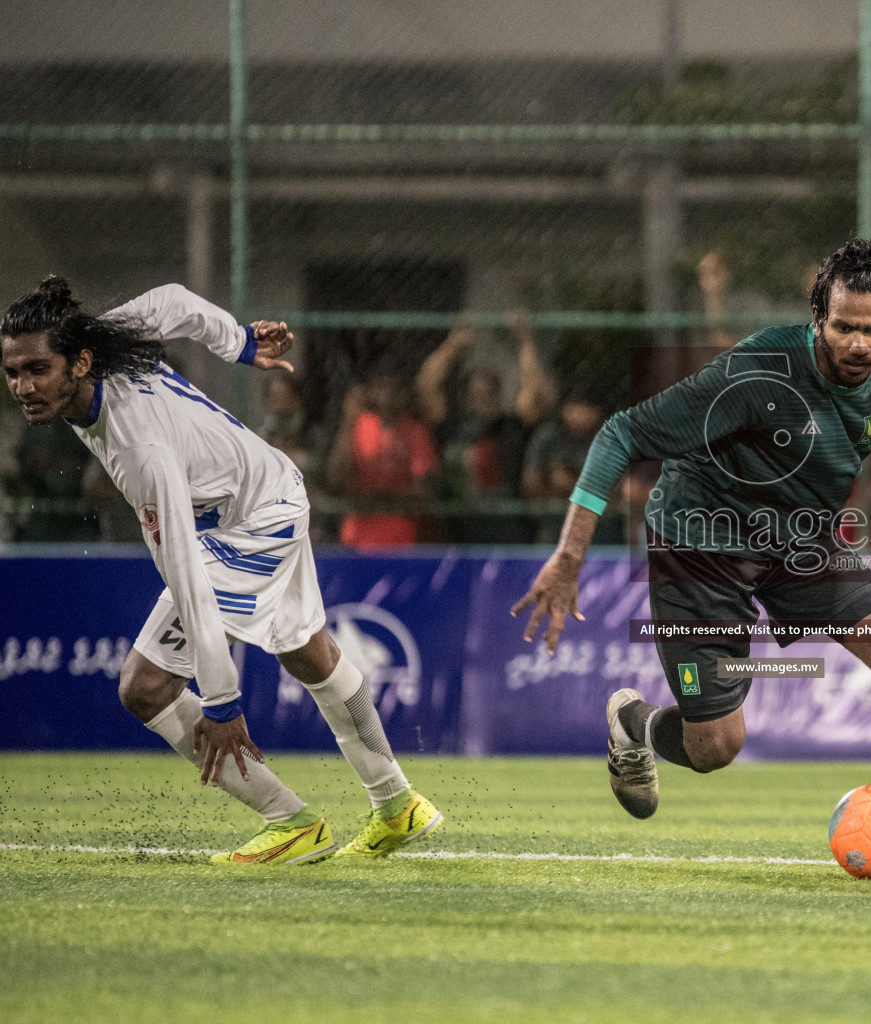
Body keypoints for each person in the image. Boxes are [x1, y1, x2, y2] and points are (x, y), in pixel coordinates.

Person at [512, 237, 871, 880]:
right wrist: (570, 556)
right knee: (716, 746)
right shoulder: (756, 371)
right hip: (699, 545)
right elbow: (622, 433)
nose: (858, 344)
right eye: (843, 326)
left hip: (801, 542)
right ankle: (632, 722)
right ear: (819, 319)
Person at [1, 277, 442, 864]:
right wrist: (236, 341)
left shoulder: (140, 453)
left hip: (250, 522)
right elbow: (175, 302)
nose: (23, 387)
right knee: (305, 650)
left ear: (79, 363)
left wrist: (222, 703)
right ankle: (397, 805)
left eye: (38, 370)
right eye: (12, 372)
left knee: (145, 686)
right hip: (267, 490)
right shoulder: (107, 339)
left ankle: (290, 822)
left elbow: (186, 576)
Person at [415, 310, 553, 543]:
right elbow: (427, 386)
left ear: (498, 396)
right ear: (465, 399)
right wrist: (452, 345)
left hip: (510, 534)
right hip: (462, 533)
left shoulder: (511, 427)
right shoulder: (453, 427)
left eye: (489, 395)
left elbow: (535, 393)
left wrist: (526, 342)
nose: (483, 401)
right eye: (476, 395)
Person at [327, 374, 439, 548]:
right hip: (357, 533)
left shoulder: (416, 432)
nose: (385, 395)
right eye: (379, 387)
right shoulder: (358, 426)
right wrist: (349, 421)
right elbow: (335, 479)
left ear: (402, 394)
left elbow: (422, 490)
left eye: (390, 388)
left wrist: (379, 498)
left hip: (401, 533)